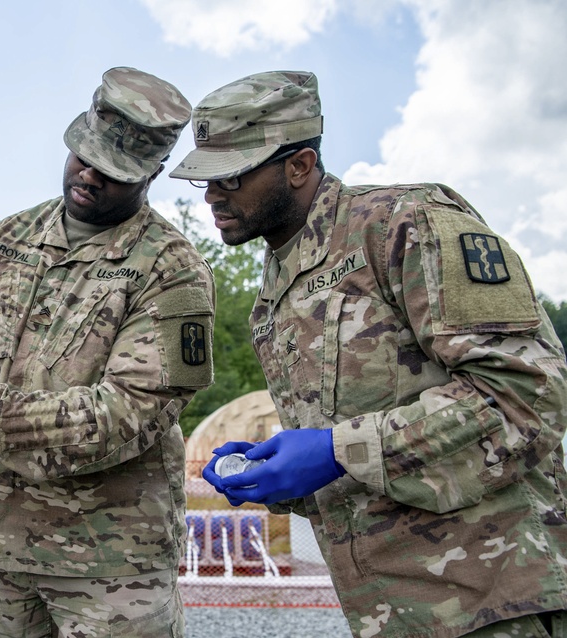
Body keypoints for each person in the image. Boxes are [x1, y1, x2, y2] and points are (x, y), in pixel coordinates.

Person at [176, 70, 567, 637]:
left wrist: (336, 451)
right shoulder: (277, 289)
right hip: (395, 611)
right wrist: (280, 471)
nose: (213, 194)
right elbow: (366, 444)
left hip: (497, 598)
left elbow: (528, 394)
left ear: (299, 165)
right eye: (204, 180)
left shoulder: (404, 224)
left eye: (230, 177)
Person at [0, 67, 215, 637]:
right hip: (4, 541)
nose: (89, 175)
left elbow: (127, 415)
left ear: (153, 174)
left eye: (113, 171)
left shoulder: (172, 271)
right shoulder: (7, 239)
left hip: (111, 563)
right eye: (84, 155)